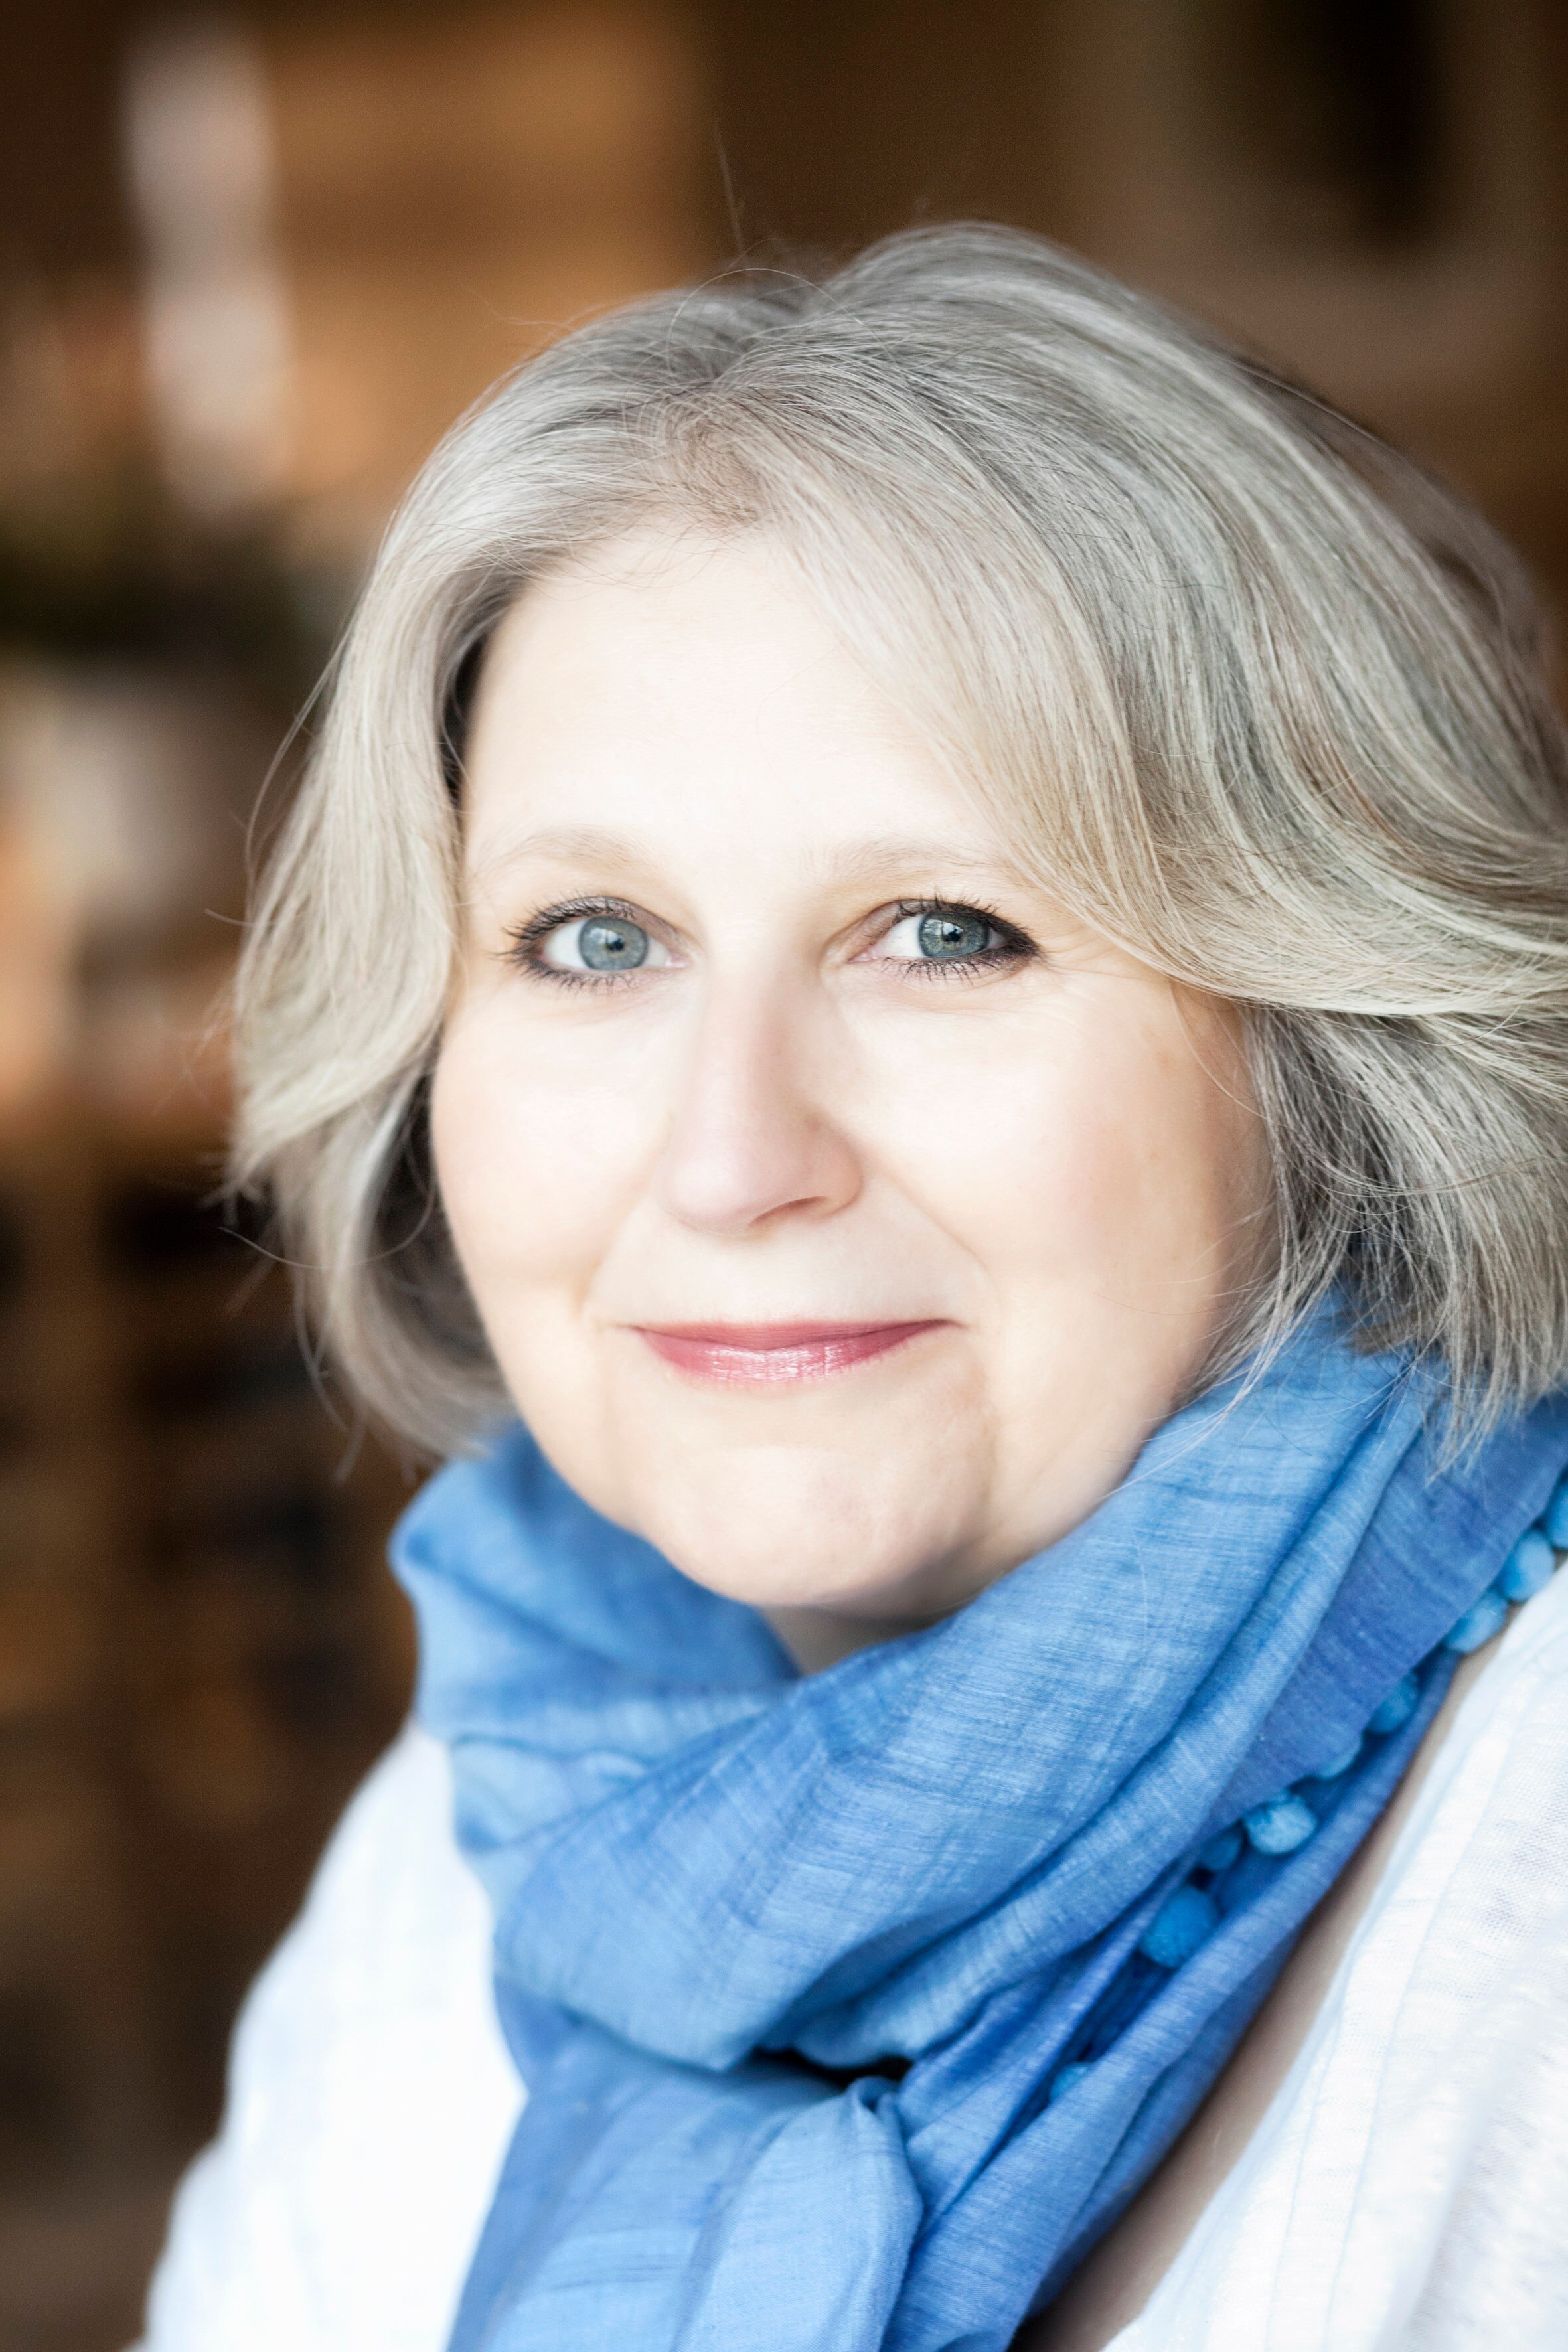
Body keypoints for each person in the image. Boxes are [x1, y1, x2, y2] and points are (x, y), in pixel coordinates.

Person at [138, 227, 1568, 2352]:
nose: (732, 1161)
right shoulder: (477, 1838)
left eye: (946, 932)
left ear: (1323, 1038)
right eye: (596, 942)